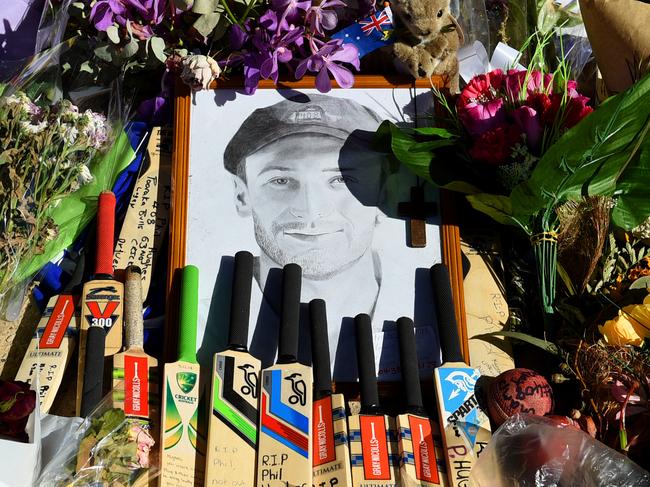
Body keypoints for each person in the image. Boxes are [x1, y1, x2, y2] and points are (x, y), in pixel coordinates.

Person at [210, 93, 437, 378]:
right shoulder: (204, 324)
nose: (311, 210)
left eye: (341, 179)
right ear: (242, 194)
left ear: (384, 191)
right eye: (280, 180)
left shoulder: (429, 310)